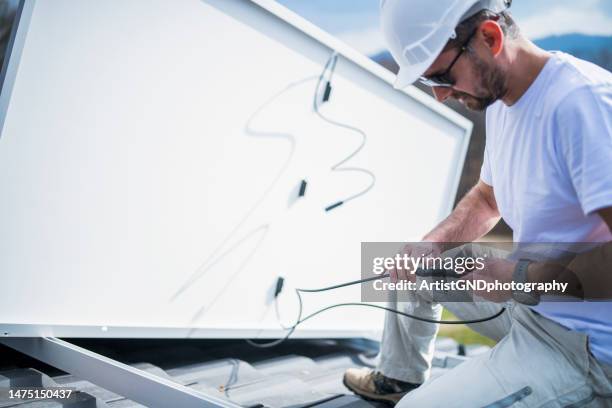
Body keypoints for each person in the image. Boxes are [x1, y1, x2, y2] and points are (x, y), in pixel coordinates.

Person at [343, 0, 612, 406]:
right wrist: (433, 243)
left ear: (490, 37)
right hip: (533, 303)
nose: (440, 96)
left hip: (583, 348)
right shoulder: (502, 99)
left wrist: (516, 276)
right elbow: (488, 199)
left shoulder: (582, 105)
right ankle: (399, 378)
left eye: (441, 76)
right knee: (415, 267)